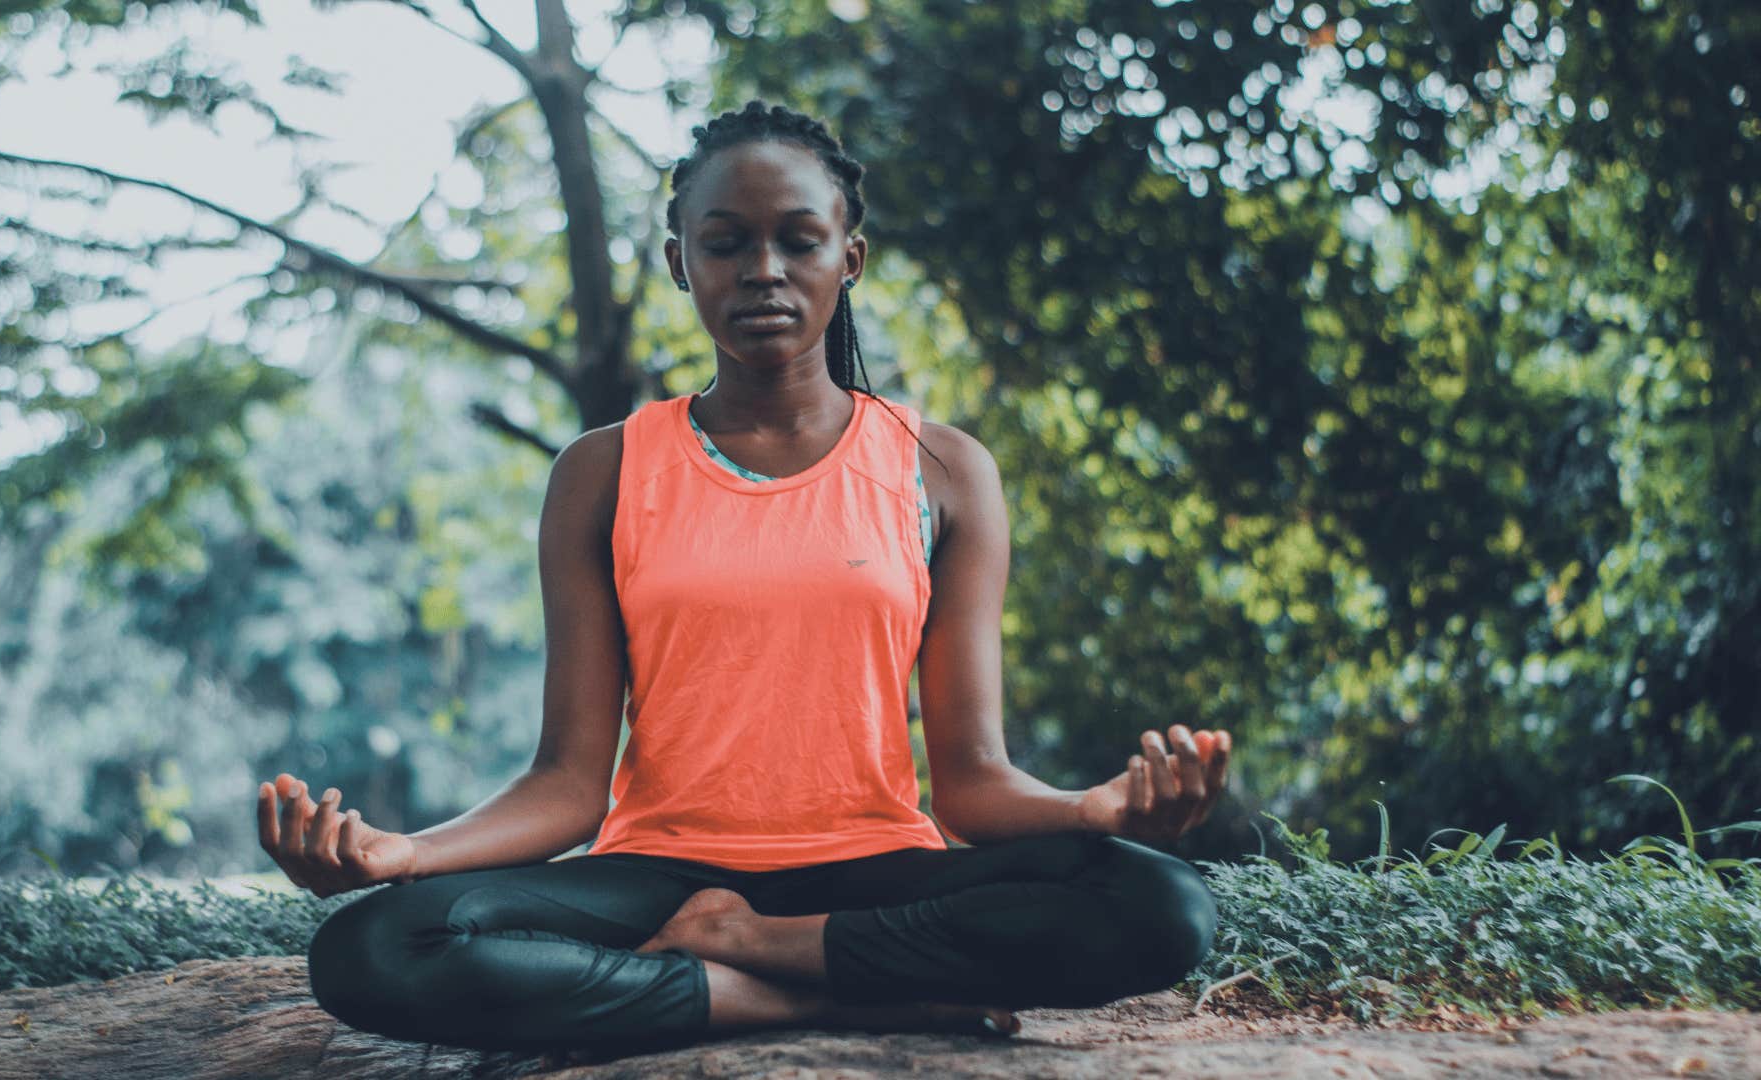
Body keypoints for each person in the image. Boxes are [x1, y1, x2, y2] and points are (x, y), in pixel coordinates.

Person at [257, 99, 1231, 1058]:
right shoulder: (604, 471)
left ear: (849, 257)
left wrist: (1096, 810)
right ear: (681, 261)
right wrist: (403, 853)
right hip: (657, 877)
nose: (763, 269)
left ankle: (752, 952)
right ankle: (802, 1002)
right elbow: (565, 785)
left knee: (1160, 904)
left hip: (874, 873)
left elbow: (972, 786)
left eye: (798, 241)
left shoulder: (940, 470)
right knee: (376, 946)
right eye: (725, 243)